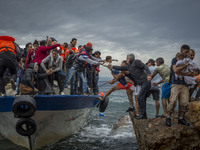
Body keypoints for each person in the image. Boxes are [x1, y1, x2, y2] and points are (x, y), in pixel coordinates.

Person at [107, 54, 151, 119]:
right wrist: (112, 66)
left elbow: (145, 66)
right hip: (140, 83)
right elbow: (120, 68)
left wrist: (149, 75)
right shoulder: (128, 67)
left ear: (129, 59)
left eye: (126, 58)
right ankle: (143, 115)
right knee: (142, 98)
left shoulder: (136, 62)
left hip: (145, 82)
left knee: (140, 98)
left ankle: (143, 115)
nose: (126, 59)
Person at [166, 44, 194, 127]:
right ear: (181, 51)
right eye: (186, 52)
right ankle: (168, 117)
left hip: (185, 84)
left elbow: (192, 73)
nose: (187, 53)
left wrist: (182, 72)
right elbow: (175, 70)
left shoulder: (188, 60)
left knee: (184, 102)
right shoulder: (175, 59)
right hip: (176, 83)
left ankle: (181, 119)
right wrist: (185, 66)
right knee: (173, 101)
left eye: (188, 52)